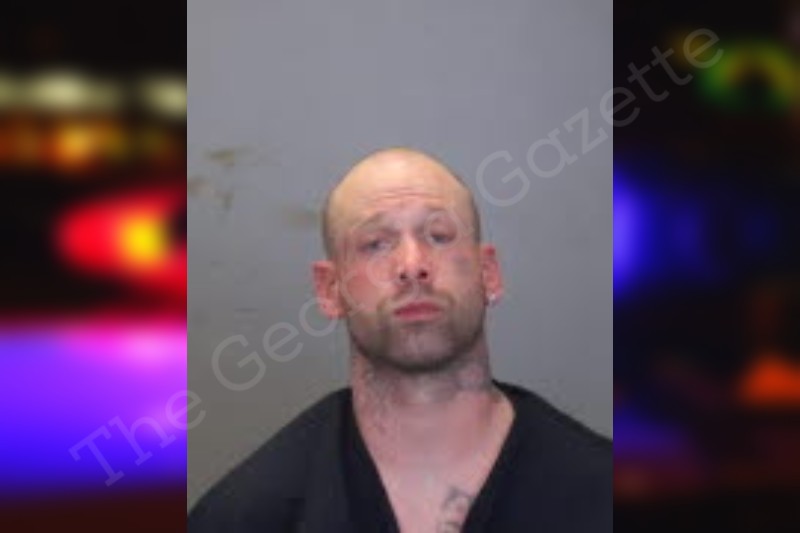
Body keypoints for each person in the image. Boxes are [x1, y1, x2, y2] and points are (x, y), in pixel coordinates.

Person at [188, 148, 611, 532]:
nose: (412, 265)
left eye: (439, 236)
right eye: (375, 244)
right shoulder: (245, 517)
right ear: (330, 290)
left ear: (489, 273)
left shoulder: (601, 494)